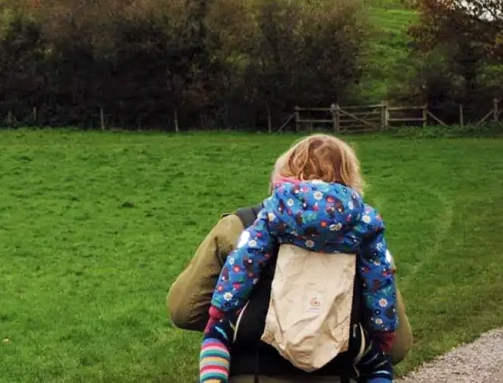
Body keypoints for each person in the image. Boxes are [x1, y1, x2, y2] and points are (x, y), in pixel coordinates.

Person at [168, 135, 414, 383]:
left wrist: (241, 322)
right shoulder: (366, 233)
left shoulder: (240, 225)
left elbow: (183, 312)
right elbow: (398, 347)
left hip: (252, 372)